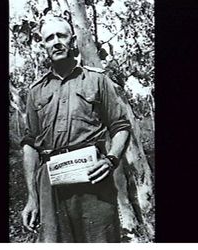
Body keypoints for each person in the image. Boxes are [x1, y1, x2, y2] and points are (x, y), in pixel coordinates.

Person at [20, 14, 131, 243]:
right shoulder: (35, 91)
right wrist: (32, 197)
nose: (56, 41)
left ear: (73, 40)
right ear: (44, 45)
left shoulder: (97, 80)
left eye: (62, 35)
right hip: (50, 185)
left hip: (93, 181)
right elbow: (30, 144)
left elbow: (120, 126)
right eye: (50, 38)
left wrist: (111, 159)